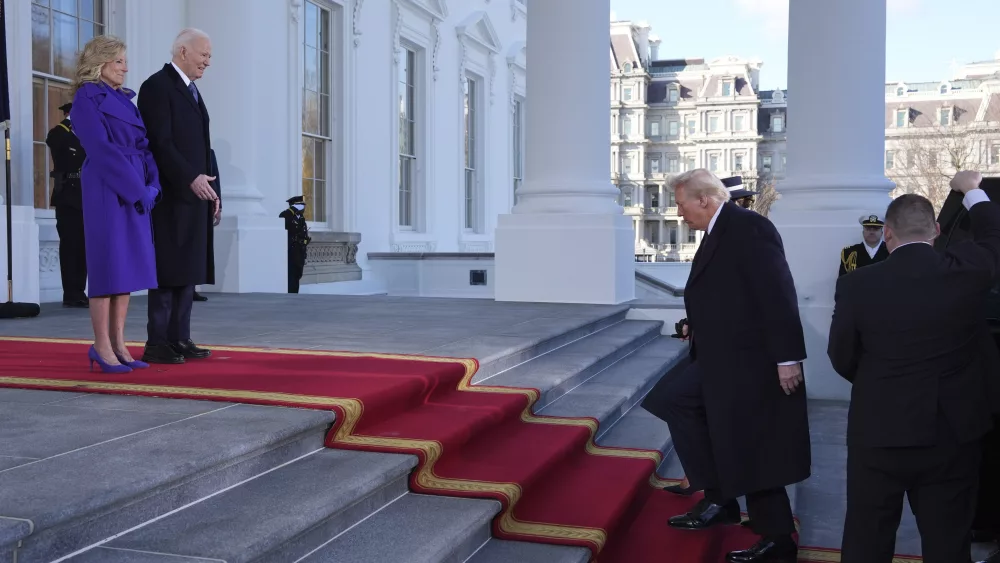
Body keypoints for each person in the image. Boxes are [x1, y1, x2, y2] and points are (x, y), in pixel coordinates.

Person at [828, 171, 1000, 563]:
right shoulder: (966, 270)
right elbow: (994, 236)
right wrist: (972, 191)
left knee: (867, 537)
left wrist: (878, 381)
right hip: (952, 433)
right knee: (948, 540)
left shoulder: (858, 285)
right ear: (936, 230)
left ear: (887, 233)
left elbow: (841, 355)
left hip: (879, 428)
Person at [651, 169, 810, 563]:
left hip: (752, 362)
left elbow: (777, 293)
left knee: (755, 445)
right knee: (676, 400)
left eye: (681, 203)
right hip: (720, 356)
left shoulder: (748, 228)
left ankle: (777, 539)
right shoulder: (719, 230)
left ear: (704, 200)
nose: (678, 212)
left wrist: (787, 358)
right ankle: (720, 497)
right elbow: (727, 292)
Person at [69, 35, 160, 374]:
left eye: (125, 60)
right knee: (108, 265)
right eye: (119, 60)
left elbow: (145, 146)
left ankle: (120, 343)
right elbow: (101, 149)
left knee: (127, 267)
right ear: (100, 62)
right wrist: (137, 189)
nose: (125, 67)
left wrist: (153, 185)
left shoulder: (126, 101)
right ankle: (101, 346)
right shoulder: (86, 97)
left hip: (135, 183)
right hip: (108, 186)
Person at [137, 28, 219, 365]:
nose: (207, 63)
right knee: (168, 269)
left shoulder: (193, 91)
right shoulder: (156, 86)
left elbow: (203, 148)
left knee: (189, 269)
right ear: (183, 51)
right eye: (204, 55)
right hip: (171, 195)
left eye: (209, 57)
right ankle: (157, 342)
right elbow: (160, 143)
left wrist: (217, 193)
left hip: (196, 194)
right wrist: (189, 178)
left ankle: (180, 338)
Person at [45, 102, 89, 308]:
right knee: (71, 246)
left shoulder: (87, 133)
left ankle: (79, 290)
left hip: (87, 196)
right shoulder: (60, 132)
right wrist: (70, 121)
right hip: (68, 197)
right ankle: (72, 293)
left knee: (83, 246)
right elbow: (52, 140)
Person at [279, 195, 311, 293]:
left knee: (298, 274)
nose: (303, 208)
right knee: (291, 276)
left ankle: (295, 294)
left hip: (300, 251)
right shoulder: (287, 215)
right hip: (292, 251)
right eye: (301, 205)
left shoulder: (300, 217)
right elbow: (282, 219)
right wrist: (291, 209)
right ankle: (291, 296)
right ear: (295, 206)